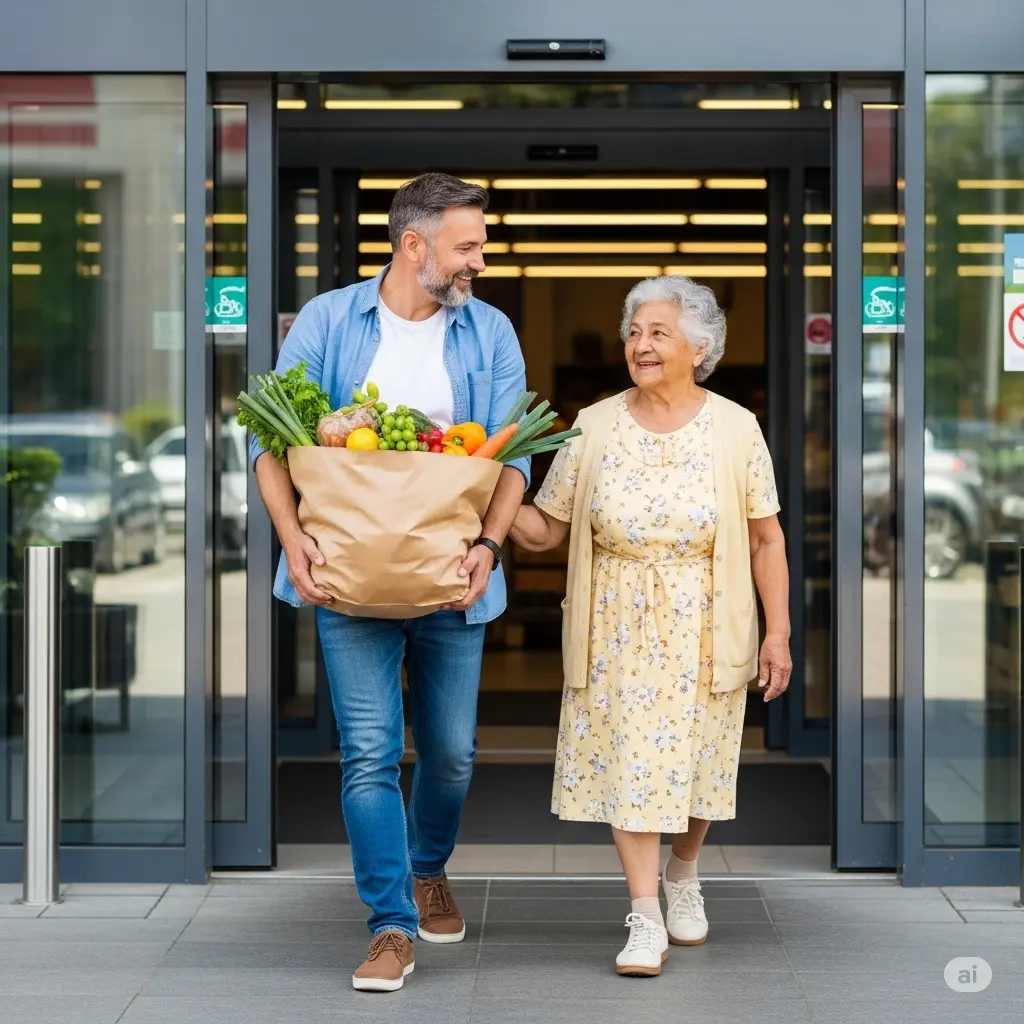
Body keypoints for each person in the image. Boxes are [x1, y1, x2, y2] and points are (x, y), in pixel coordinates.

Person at [251, 173, 529, 992]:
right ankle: (390, 927)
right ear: (415, 245)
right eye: (468, 246)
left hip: (453, 580)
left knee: (449, 756)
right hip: (349, 581)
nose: (479, 260)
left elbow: (513, 454)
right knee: (369, 754)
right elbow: (270, 441)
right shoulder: (330, 322)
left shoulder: (491, 331)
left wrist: (488, 546)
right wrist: (294, 539)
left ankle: (427, 866)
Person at [509, 275, 792, 978]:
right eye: (634, 332)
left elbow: (766, 539)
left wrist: (777, 631)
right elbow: (546, 531)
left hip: (707, 615)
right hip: (616, 621)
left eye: (658, 333)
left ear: (699, 346)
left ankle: (684, 870)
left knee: (699, 761)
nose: (640, 344)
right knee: (632, 763)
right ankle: (643, 915)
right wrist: (476, 487)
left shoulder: (735, 427)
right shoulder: (595, 423)